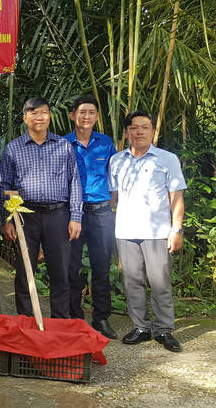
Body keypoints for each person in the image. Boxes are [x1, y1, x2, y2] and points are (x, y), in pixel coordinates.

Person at [0, 97, 82, 319]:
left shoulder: (63, 146)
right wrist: (7, 219)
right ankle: (26, 321)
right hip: (25, 216)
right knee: (25, 271)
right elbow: (4, 185)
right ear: (25, 118)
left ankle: (60, 322)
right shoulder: (13, 148)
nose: (39, 117)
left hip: (58, 215)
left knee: (60, 271)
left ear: (50, 116)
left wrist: (76, 217)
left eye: (43, 112)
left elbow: (74, 182)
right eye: (33, 113)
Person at [109, 111, 186, 352]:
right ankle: (141, 327)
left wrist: (177, 229)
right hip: (126, 231)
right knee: (132, 282)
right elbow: (113, 197)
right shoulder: (117, 160)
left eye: (145, 127)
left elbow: (176, 197)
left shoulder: (167, 159)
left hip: (157, 231)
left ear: (153, 131)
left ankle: (163, 329)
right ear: (126, 132)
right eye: (134, 127)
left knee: (160, 282)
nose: (139, 132)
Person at [64, 95, 118, 339]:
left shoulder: (105, 143)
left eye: (91, 112)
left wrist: (108, 206)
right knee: (71, 266)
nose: (86, 116)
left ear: (97, 116)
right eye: (82, 112)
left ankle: (102, 318)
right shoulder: (63, 144)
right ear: (72, 115)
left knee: (101, 267)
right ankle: (74, 317)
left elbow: (114, 178)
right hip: (72, 214)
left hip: (101, 213)